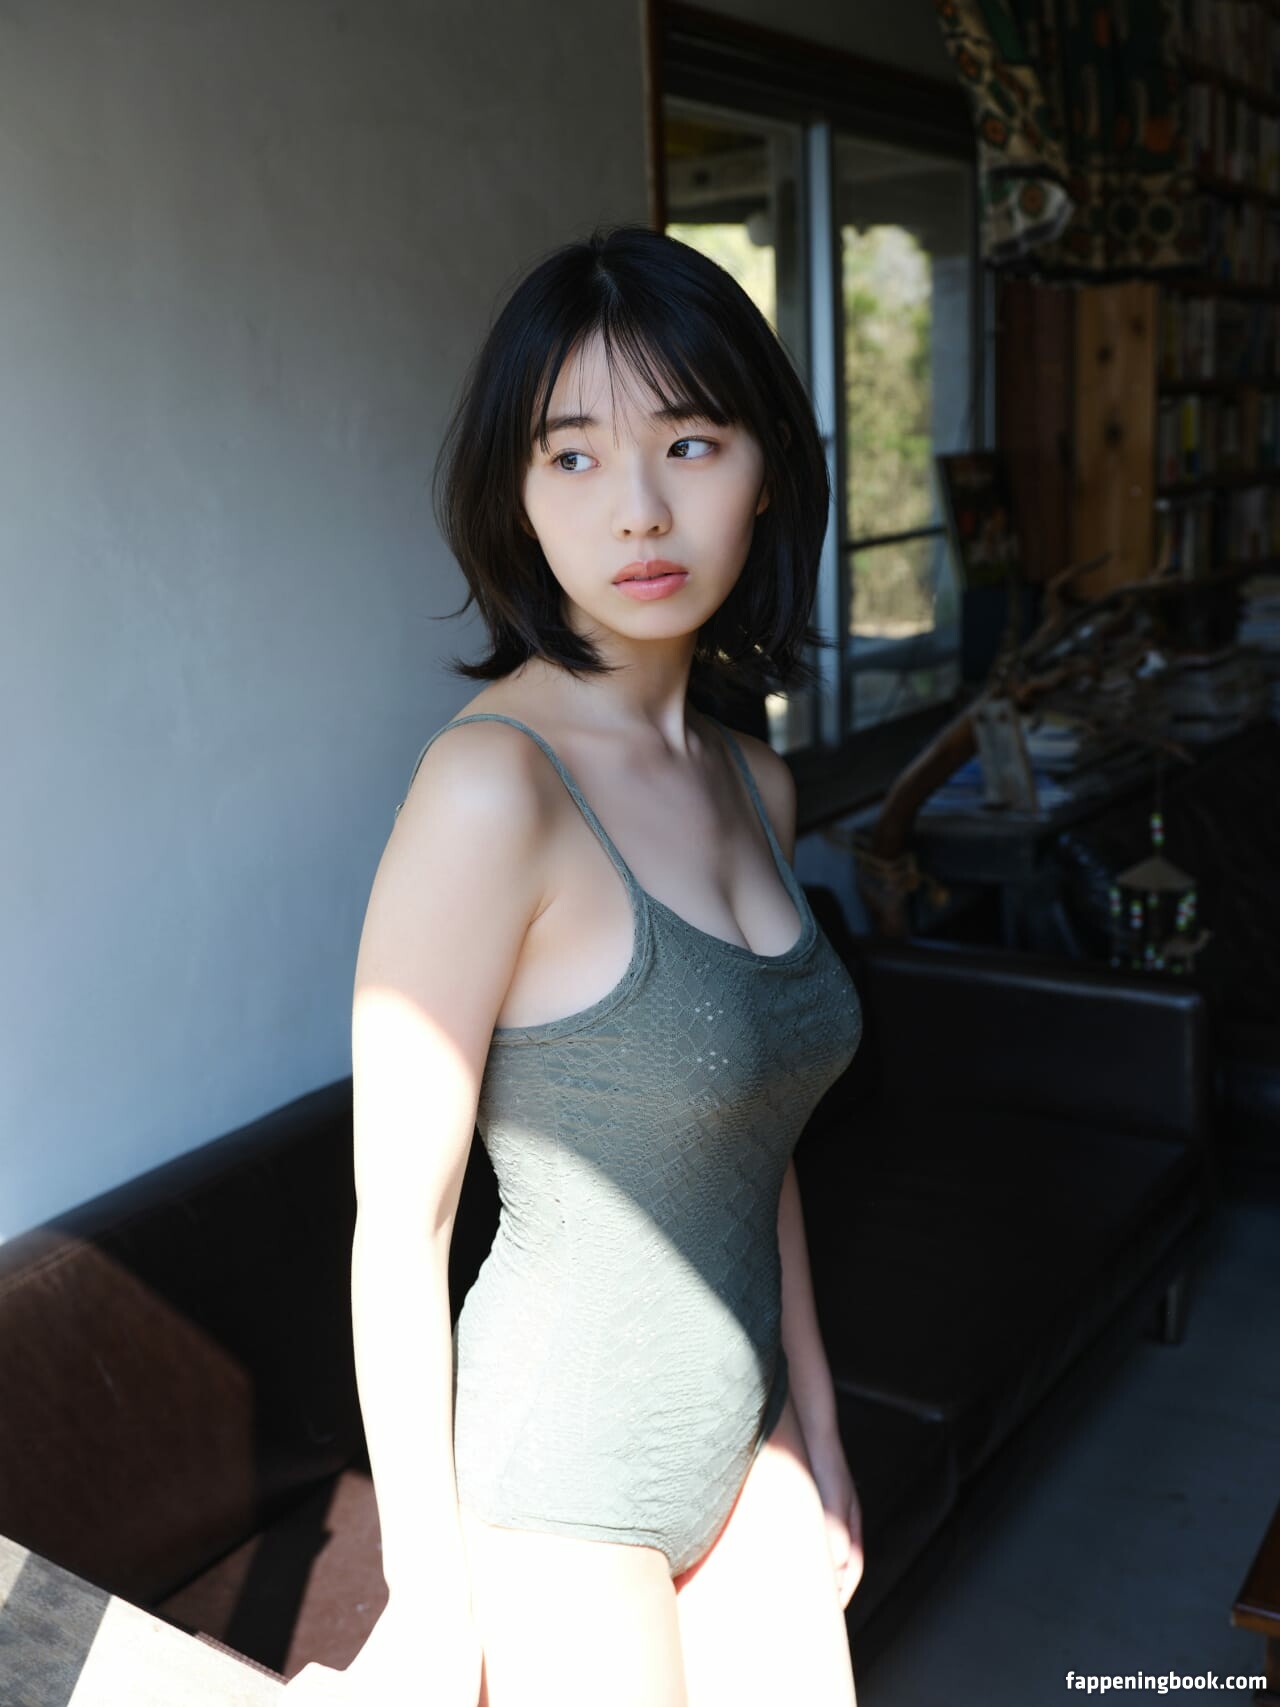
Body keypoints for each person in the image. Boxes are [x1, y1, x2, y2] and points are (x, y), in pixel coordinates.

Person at [285, 225, 865, 1707]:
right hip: (559, 1488)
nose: (641, 509)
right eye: (574, 456)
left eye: (691, 442)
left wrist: (817, 1427)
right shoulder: (493, 791)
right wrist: (432, 1602)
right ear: (518, 494)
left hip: (747, 1445)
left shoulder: (757, 782)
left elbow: (757, 1140)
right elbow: (399, 1225)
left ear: (768, 471)